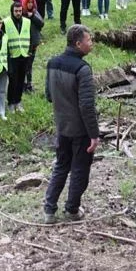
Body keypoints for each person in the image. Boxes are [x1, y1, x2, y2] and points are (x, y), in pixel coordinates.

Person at [43, 25, 100, 223]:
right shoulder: (83, 69)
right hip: (80, 129)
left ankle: (49, 210)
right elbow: (86, 105)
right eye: (89, 40)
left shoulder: (52, 63)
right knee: (80, 169)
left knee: (61, 165)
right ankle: (72, 209)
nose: (91, 43)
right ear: (78, 44)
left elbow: (49, 96)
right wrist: (94, 134)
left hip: (61, 125)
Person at [4, 2, 31, 112]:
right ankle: (11, 102)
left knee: (21, 80)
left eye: (20, 11)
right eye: (16, 11)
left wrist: (30, 51)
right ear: (12, 11)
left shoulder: (27, 22)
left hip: (24, 55)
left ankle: (18, 101)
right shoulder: (6, 22)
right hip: (12, 55)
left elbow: (30, 36)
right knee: (13, 81)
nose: (18, 13)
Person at [21, 0, 44, 92]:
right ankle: (23, 84)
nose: (30, 4)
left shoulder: (35, 12)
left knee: (29, 64)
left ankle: (29, 84)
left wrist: (33, 16)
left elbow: (41, 23)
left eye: (32, 2)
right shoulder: (21, 13)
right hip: (24, 43)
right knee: (23, 65)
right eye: (28, 2)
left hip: (33, 43)